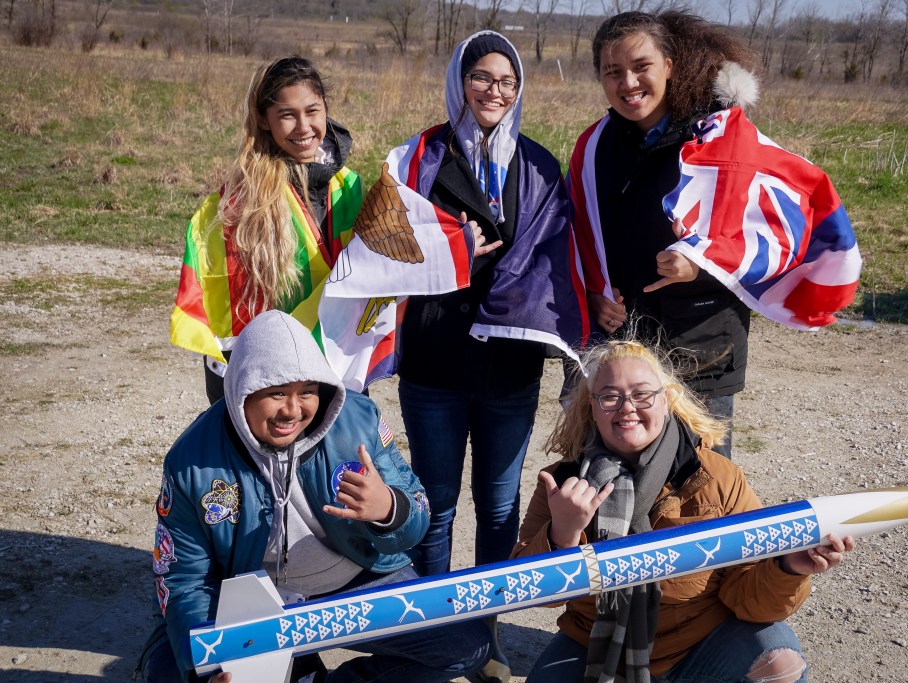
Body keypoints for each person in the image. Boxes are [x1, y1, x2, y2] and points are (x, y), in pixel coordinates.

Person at [136, 310, 493, 683]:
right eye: (277, 393)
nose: (293, 410)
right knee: (171, 671)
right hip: (253, 600)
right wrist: (209, 666)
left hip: (353, 584)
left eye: (307, 391)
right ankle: (292, 662)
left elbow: (417, 510)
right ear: (242, 388)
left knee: (465, 646)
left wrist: (388, 508)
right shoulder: (191, 462)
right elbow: (184, 579)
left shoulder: (358, 421)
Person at [390, 30, 575, 683]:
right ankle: (435, 637)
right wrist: (449, 249)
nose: (494, 91)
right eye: (482, 78)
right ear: (459, 81)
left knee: (498, 507)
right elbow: (385, 249)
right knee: (435, 502)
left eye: (507, 81)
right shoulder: (415, 159)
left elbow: (561, 262)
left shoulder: (540, 166)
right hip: (435, 365)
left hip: (510, 372)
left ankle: (485, 631)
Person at [514, 339, 854, 683]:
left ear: (666, 400)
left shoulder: (716, 477)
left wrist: (789, 568)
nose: (627, 407)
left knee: (779, 660)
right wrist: (563, 534)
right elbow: (533, 593)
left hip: (700, 645)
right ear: (593, 405)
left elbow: (751, 601)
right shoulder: (563, 482)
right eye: (610, 396)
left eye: (642, 394)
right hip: (593, 646)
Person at [569, 11, 764, 458]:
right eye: (612, 72)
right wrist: (594, 295)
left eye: (641, 67)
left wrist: (700, 266)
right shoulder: (594, 147)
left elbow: (764, 240)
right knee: (616, 486)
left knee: (701, 484)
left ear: (670, 66)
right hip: (623, 351)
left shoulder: (720, 139)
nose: (628, 82)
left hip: (701, 344)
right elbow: (577, 238)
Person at [169, 56, 361, 405]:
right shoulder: (239, 204)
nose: (304, 127)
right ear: (264, 120)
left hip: (337, 363)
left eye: (312, 111)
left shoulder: (350, 188)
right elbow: (221, 295)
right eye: (287, 115)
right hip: (265, 374)